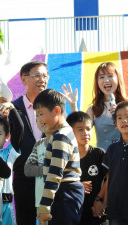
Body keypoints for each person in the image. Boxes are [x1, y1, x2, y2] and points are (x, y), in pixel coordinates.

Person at [61, 62, 128, 150]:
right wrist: (73, 106)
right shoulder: (93, 110)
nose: (106, 80)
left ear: (118, 79)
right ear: (97, 83)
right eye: (102, 77)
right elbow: (80, 130)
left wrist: (120, 116)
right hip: (104, 159)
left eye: (110, 76)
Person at [34, 89, 84, 225]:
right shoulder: (61, 133)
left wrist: (45, 206)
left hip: (64, 192)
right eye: (36, 116)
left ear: (56, 111)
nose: (38, 119)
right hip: (65, 191)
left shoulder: (61, 137)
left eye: (40, 114)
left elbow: (55, 174)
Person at [11, 60, 49, 225]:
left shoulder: (54, 108)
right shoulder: (12, 108)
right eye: (37, 76)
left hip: (49, 176)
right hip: (23, 177)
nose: (42, 80)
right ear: (23, 79)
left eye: (45, 76)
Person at [66, 111, 108, 225]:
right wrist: (77, 186)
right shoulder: (64, 156)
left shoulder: (99, 154)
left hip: (95, 213)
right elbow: (55, 182)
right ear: (70, 132)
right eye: (80, 129)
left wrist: (100, 201)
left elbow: (111, 179)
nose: (85, 133)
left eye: (88, 129)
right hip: (71, 214)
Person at [0, 100, 24, 225]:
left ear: (7, 137)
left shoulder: (9, 153)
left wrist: (12, 108)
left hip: (6, 207)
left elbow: (19, 128)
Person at [24, 112, 52, 225]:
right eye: (37, 117)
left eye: (43, 114)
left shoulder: (60, 142)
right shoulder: (39, 144)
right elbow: (27, 169)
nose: (40, 120)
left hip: (58, 200)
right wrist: (47, 170)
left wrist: (40, 168)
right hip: (40, 201)